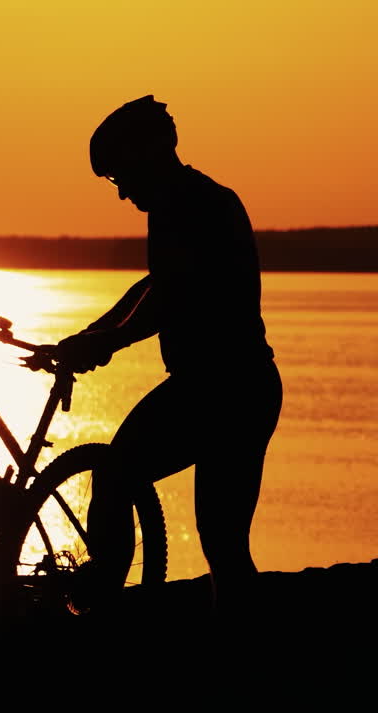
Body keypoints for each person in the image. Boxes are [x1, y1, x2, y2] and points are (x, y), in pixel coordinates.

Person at [55, 95, 282, 616]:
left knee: (199, 526)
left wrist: (104, 343)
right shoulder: (178, 202)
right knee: (216, 538)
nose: (122, 193)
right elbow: (152, 287)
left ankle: (106, 607)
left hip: (227, 389)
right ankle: (113, 600)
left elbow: (170, 297)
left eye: (119, 178)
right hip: (219, 387)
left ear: (146, 157)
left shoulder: (197, 204)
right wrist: (93, 333)